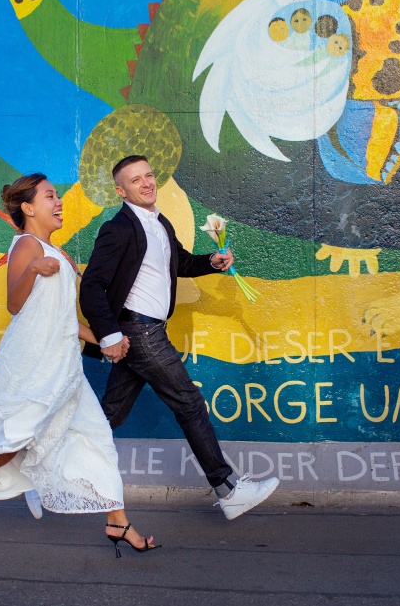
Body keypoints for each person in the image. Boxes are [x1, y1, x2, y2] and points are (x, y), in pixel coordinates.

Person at [0, 173, 158, 557]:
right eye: (50, 196)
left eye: (57, 196)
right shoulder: (27, 246)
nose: (59, 202)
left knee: (95, 437)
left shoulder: (56, 252)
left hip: (64, 368)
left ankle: (118, 522)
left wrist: (106, 340)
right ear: (29, 208)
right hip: (32, 366)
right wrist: (32, 269)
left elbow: (63, 319)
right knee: (8, 444)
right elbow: (14, 305)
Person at [79, 155, 279, 520]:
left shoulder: (159, 222)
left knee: (110, 414)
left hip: (147, 330)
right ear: (120, 191)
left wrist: (210, 262)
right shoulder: (118, 229)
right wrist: (108, 336)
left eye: (148, 175)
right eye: (135, 180)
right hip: (139, 331)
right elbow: (92, 286)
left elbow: (180, 263)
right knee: (189, 404)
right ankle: (228, 490)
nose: (146, 183)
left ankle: (45, 474)